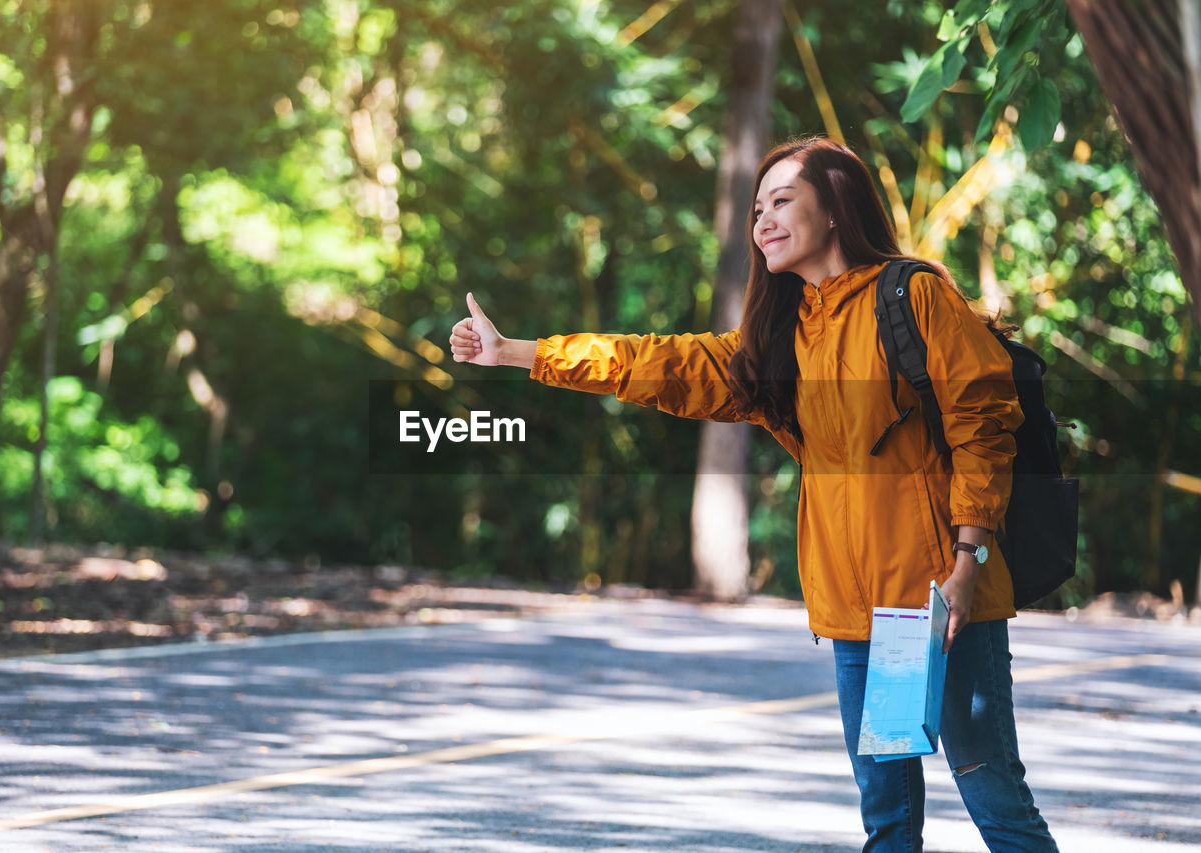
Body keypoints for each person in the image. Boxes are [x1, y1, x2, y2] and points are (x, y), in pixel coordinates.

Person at [448, 135, 1058, 852]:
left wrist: (967, 561)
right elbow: (660, 363)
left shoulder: (914, 295)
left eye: (782, 201)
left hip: (938, 603)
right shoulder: (781, 338)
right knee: (887, 815)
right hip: (861, 618)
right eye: (757, 207)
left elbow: (983, 426)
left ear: (834, 209)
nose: (762, 219)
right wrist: (520, 352)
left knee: (993, 795)